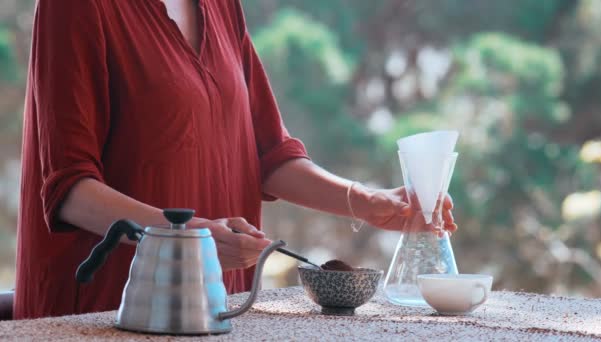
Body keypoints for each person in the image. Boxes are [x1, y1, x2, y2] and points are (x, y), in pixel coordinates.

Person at [14, 0, 457, 319]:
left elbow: (270, 155)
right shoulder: (74, 7)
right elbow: (70, 192)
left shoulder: (222, 7)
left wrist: (368, 201)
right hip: (100, 311)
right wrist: (188, 239)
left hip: (215, 309)